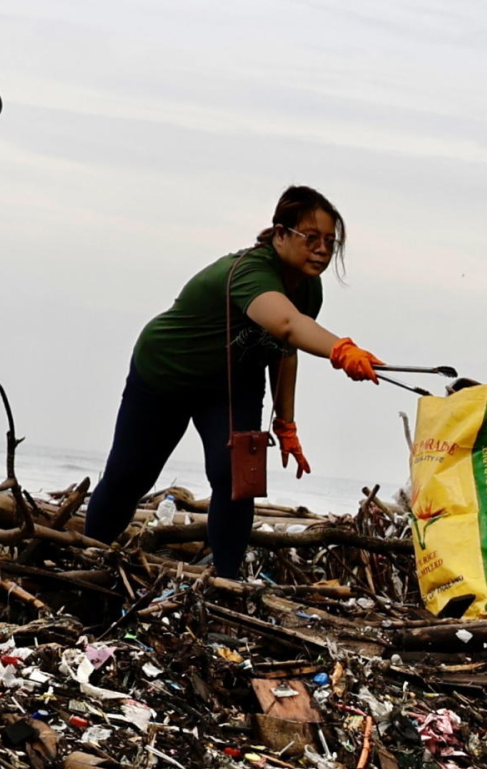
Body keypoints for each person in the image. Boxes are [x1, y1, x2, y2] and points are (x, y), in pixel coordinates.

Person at [83, 188, 383, 580]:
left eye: (331, 241)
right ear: (280, 233)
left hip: (231, 384)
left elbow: (284, 349)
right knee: (129, 477)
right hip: (166, 373)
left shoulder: (308, 288)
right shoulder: (250, 272)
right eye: (312, 237)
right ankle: (89, 558)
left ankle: (227, 580)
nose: (323, 250)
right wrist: (341, 350)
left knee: (238, 482)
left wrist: (286, 424)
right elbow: (287, 325)